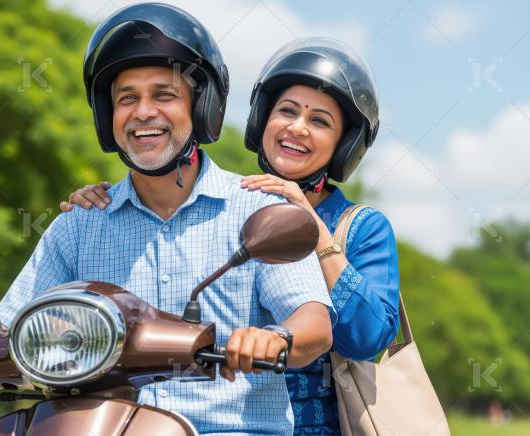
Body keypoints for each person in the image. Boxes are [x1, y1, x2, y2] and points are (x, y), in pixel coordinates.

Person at [0, 5, 333, 435]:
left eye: (163, 95)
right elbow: (12, 322)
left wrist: (276, 338)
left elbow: (313, 321)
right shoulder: (80, 223)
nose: (143, 112)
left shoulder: (256, 209)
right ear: (109, 117)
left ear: (200, 107)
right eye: (127, 99)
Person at [62, 38, 401, 435]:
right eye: (286, 111)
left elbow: (366, 337)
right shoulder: (235, 202)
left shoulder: (361, 226)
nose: (297, 127)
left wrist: (313, 227)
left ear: (344, 143)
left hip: (313, 425)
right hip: (208, 415)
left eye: (320, 121)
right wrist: (106, 206)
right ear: (262, 120)